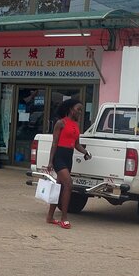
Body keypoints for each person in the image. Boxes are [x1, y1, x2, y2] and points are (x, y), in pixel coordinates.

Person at [46, 98, 91, 229]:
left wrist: (85, 152)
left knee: (59, 187)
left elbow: (76, 144)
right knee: (68, 184)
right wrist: (50, 161)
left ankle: (49, 217)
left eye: (81, 110)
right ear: (71, 109)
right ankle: (64, 218)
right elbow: (54, 143)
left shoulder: (76, 125)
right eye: (78, 109)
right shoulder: (61, 123)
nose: (80, 112)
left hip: (68, 157)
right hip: (59, 157)